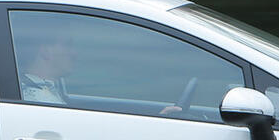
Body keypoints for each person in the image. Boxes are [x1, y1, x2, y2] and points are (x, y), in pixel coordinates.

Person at [15, 33, 182, 115]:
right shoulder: (38, 99)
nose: (74, 54)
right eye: (67, 45)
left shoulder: (45, 89)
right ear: (45, 51)